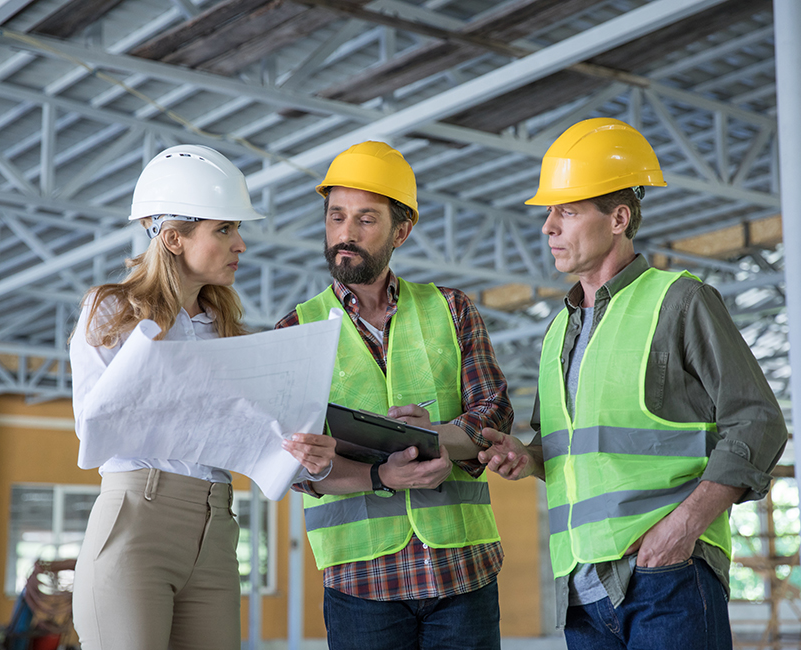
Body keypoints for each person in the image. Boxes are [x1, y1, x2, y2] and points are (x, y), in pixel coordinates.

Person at [479, 118, 788, 649]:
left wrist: (682, 529)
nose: (548, 227)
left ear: (618, 218)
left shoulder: (680, 302)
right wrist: (527, 458)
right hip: (581, 591)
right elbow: (573, 453)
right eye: (549, 213)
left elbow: (758, 422)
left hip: (666, 578)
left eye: (567, 211)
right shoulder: (558, 333)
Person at [68, 144, 336, 650]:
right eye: (224, 229)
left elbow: (255, 441)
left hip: (218, 529)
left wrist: (308, 457)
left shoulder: (225, 329)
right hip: (137, 520)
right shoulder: (112, 311)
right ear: (173, 238)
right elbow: (95, 429)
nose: (241, 244)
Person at [274, 141, 514, 650]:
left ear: (400, 232)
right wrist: (381, 476)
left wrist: (436, 436)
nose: (346, 233)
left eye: (366, 220)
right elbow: (293, 465)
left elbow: (494, 413)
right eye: (336, 216)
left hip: (461, 569)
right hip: (361, 582)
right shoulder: (296, 330)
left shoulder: (451, 309)